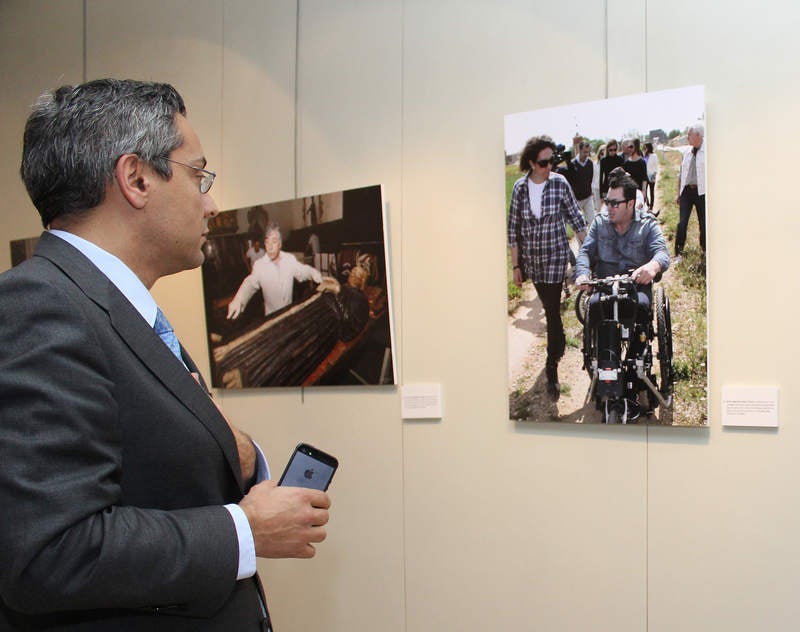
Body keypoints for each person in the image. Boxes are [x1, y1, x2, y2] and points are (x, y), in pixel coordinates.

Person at [0, 79, 331, 630]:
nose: (212, 203)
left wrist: (241, 458)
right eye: (199, 176)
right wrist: (245, 531)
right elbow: (49, 552)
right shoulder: (39, 305)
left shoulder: (115, 307)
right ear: (135, 179)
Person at [508, 135, 587, 400]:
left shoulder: (559, 183)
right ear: (531, 162)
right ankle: (558, 341)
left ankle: (551, 365)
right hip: (534, 262)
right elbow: (513, 230)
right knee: (549, 308)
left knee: (552, 311)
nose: (549, 166)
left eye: (552, 160)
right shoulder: (520, 189)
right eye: (543, 162)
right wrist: (516, 265)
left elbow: (577, 219)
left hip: (555, 257)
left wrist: (588, 255)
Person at [575, 172, 670, 331]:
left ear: (631, 203)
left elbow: (662, 253)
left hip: (636, 286)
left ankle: (637, 354)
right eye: (607, 202)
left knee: (641, 307)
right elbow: (585, 252)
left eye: (615, 203)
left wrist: (653, 266)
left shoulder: (647, 225)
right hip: (604, 285)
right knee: (594, 307)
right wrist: (583, 273)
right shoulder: (599, 223)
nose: (609, 208)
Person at [227, 221, 324, 318]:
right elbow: (250, 283)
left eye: (274, 241)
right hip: (271, 317)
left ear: (280, 244)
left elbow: (303, 270)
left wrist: (313, 273)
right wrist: (239, 300)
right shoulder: (260, 265)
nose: (270, 247)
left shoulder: (289, 259)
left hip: (289, 314)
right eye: (267, 242)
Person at [674, 122, 706, 260]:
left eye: (689, 134)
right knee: (682, 223)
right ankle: (679, 253)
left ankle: (705, 250)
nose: (687, 137)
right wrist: (678, 193)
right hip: (686, 191)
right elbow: (681, 174)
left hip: (702, 192)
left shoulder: (708, 151)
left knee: (703, 223)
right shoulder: (686, 152)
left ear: (698, 135)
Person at [566, 140, 596, 225]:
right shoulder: (572, 164)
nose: (586, 154)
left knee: (592, 220)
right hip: (576, 199)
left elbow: (590, 178)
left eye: (588, 152)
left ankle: (592, 238)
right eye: (584, 152)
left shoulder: (590, 163)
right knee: (578, 223)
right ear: (579, 150)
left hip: (588, 196)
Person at [643, 141, 659, 212]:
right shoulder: (644, 156)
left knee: (651, 191)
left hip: (652, 176)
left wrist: (654, 175)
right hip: (645, 176)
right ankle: (647, 204)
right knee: (645, 191)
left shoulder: (654, 156)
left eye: (645, 148)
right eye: (644, 148)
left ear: (648, 148)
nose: (644, 149)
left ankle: (651, 206)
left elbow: (656, 166)